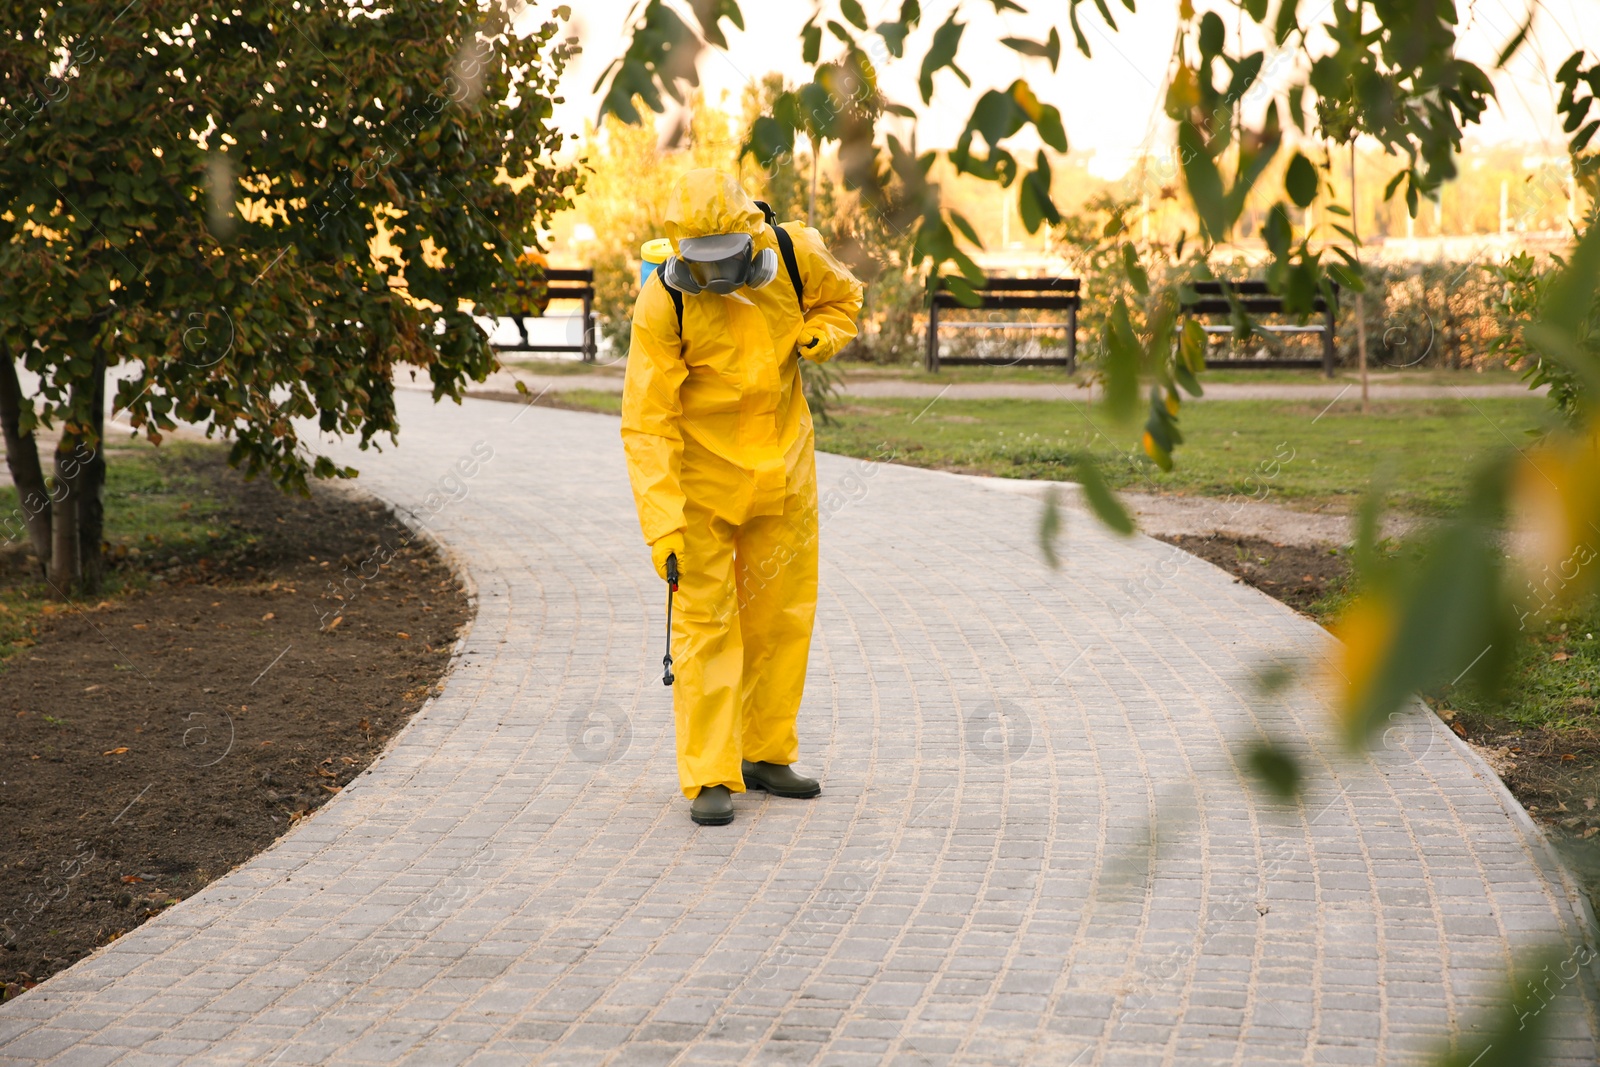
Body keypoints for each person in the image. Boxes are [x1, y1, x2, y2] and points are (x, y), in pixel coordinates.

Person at [621, 169, 864, 826]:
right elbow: (647, 419)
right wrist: (663, 525)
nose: (713, 278)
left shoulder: (793, 253)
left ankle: (764, 752)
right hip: (700, 491)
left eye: (725, 262)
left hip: (783, 476)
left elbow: (843, 299)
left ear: (749, 239)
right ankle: (708, 774)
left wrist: (823, 335)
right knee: (706, 629)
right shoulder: (664, 302)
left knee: (780, 619)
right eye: (698, 266)